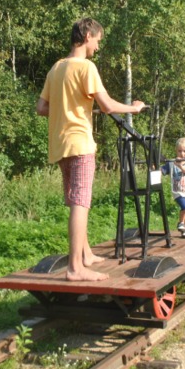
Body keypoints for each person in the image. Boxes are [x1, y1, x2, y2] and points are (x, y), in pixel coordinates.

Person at [36, 18, 146, 282]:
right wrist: (134, 108)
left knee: (75, 199)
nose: (98, 46)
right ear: (87, 36)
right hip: (80, 143)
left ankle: (85, 254)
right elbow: (107, 105)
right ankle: (76, 268)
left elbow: (42, 108)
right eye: (97, 40)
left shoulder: (57, 68)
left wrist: (72, 108)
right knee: (81, 203)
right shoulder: (87, 67)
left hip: (60, 144)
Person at [161, 137, 185, 238]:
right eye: (179, 151)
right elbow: (162, 170)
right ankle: (180, 223)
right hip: (178, 192)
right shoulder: (171, 163)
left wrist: (180, 166)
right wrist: (155, 168)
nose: (182, 153)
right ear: (176, 151)